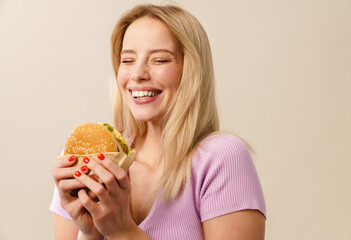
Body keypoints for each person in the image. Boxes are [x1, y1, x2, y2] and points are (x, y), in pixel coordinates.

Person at [50, 4, 266, 240]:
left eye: (160, 60)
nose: (137, 74)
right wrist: (90, 234)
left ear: (191, 70)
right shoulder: (91, 163)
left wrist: (122, 231)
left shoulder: (221, 157)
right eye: (128, 60)